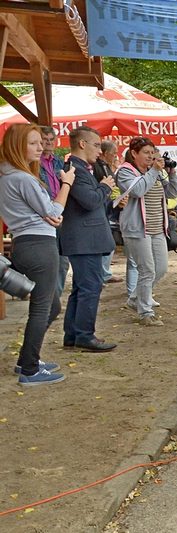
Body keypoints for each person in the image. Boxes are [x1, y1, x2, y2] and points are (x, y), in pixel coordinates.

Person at [0, 124, 76, 385]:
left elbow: (49, 213)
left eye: (40, 142)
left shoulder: (7, 176)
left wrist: (51, 214)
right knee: (43, 307)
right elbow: (53, 212)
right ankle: (30, 369)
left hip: (25, 242)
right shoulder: (22, 178)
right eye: (33, 143)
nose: (40, 147)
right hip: (39, 244)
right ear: (17, 146)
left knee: (51, 305)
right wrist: (66, 183)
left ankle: (26, 359)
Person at [58, 126, 117, 352]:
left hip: (85, 239)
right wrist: (104, 187)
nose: (100, 151)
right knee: (90, 287)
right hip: (84, 240)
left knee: (81, 288)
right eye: (96, 145)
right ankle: (84, 335)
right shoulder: (76, 169)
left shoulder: (82, 169)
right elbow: (90, 201)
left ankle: (73, 334)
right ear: (82, 144)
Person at [116, 137, 177, 327]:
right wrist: (154, 171)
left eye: (153, 152)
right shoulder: (126, 171)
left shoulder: (155, 173)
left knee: (161, 268)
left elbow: (172, 193)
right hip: (137, 229)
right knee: (146, 270)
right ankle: (145, 313)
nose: (151, 156)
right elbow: (138, 190)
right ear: (134, 153)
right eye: (146, 153)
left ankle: (135, 298)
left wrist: (172, 173)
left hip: (157, 228)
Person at [39, 125, 70, 296]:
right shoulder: (33, 163)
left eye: (52, 139)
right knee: (47, 262)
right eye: (45, 140)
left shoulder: (59, 162)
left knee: (63, 262)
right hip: (43, 214)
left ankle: (55, 297)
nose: (49, 143)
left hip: (61, 212)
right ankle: (48, 298)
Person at [95, 140, 124, 285]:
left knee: (108, 243)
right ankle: (102, 275)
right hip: (101, 208)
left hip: (107, 208)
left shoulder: (105, 166)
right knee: (106, 243)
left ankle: (104, 273)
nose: (115, 156)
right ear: (105, 153)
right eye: (114, 153)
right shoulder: (98, 167)